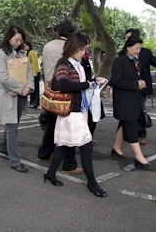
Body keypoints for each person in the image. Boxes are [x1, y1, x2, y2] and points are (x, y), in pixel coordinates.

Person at [43, 33, 108, 197]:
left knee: (65, 145)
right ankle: (92, 183)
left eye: (85, 49)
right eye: (81, 49)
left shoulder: (78, 63)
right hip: (71, 112)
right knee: (86, 146)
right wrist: (88, 83)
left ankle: (50, 174)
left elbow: (78, 83)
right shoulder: (63, 64)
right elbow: (64, 85)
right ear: (72, 47)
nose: (83, 52)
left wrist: (93, 81)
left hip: (79, 110)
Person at [36, 22, 82, 176]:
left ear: (56, 32)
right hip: (65, 90)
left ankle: (44, 153)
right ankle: (69, 164)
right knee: (68, 127)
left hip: (50, 88)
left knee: (51, 122)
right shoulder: (69, 47)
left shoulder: (48, 46)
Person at [0, 26, 34, 173]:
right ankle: (15, 160)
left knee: (14, 122)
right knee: (12, 127)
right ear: (9, 38)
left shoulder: (23, 52)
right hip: (8, 94)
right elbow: (3, 77)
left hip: (21, 94)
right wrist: (20, 88)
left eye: (21, 40)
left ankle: (3, 147)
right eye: (16, 39)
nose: (18, 42)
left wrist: (29, 87)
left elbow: (29, 71)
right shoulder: (0, 53)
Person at [110, 35, 151, 170]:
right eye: (136, 48)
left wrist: (141, 83)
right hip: (123, 100)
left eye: (140, 49)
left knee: (125, 123)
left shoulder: (134, 61)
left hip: (133, 99)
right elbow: (116, 80)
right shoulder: (119, 61)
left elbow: (134, 78)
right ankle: (139, 157)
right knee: (132, 127)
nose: (138, 51)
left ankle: (116, 148)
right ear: (128, 47)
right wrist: (135, 84)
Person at [125, 29, 156, 145]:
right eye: (126, 38)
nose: (126, 40)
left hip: (141, 87)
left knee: (140, 110)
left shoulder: (146, 52)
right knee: (127, 112)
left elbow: (154, 61)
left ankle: (141, 134)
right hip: (129, 87)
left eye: (128, 37)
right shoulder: (124, 54)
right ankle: (126, 134)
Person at [23, 41, 41, 108]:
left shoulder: (32, 52)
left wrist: (34, 73)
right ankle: (32, 102)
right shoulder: (27, 53)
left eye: (25, 46)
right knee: (32, 89)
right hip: (31, 73)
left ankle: (35, 103)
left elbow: (34, 63)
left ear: (29, 46)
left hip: (35, 72)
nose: (24, 47)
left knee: (35, 89)